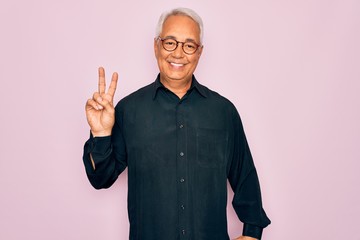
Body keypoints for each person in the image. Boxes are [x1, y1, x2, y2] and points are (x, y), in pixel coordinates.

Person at [83, 7, 270, 240]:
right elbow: (101, 179)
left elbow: (245, 177)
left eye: (189, 45)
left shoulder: (223, 112)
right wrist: (100, 134)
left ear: (199, 52)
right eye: (170, 42)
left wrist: (252, 232)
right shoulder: (128, 110)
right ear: (156, 46)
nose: (178, 54)